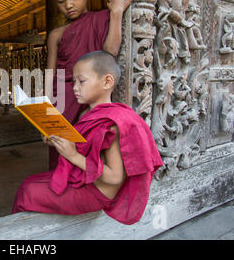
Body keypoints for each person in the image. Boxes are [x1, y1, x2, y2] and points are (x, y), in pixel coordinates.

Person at [13, 51, 164, 225]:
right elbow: (85, 147)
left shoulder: (114, 121)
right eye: (74, 82)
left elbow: (115, 177)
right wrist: (56, 139)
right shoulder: (88, 113)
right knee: (30, 182)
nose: (75, 87)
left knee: (28, 191)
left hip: (97, 193)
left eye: (82, 81)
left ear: (107, 81)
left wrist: (73, 156)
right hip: (85, 180)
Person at [46, 0, 133, 170]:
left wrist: (117, 14)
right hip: (62, 103)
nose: (67, 5)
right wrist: (48, 111)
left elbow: (109, 53)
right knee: (58, 155)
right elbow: (51, 74)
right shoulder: (56, 35)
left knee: (86, 152)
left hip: (89, 99)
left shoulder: (101, 18)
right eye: (61, 1)